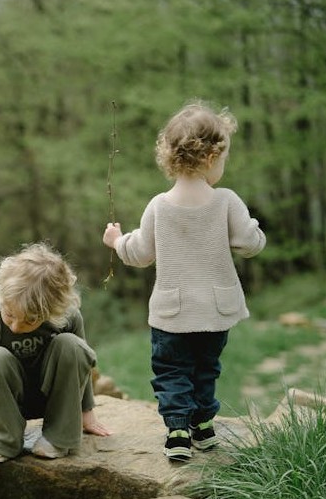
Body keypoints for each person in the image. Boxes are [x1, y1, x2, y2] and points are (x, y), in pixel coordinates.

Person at [102, 100, 266, 462]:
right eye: (223, 159)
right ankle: (203, 426)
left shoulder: (158, 206)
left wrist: (117, 241)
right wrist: (253, 227)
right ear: (210, 158)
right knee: (206, 368)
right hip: (214, 311)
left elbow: (141, 253)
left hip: (172, 314)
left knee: (172, 370)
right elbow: (249, 244)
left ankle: (177, 431)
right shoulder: (226, 201)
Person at [0, 242, 112, 498]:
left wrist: (86, 413)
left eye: (30, 321)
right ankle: (5, 440)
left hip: (53, 398)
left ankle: (57, 438)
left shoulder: (68, 318)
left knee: (72, 346)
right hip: (9, 401)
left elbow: (82, 365)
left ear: (52, 312)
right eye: (9, 314)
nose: (14, 327)